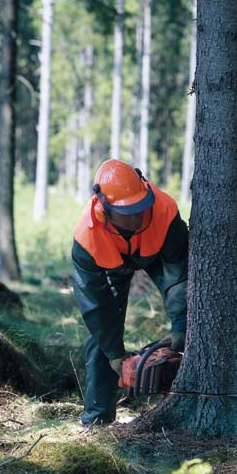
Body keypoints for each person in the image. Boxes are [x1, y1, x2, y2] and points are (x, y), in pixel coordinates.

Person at [72, 158, 188, 426]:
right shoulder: (87, 237)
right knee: (101, 340)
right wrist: (115, 354)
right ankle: (97, 420)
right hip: (111, 263)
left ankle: (189, 389)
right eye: (127, 212)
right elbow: (96, 305)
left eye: (140, 208)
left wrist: (182, 324)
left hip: (157, 252)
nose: (136, 217)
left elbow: (179, 276)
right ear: (103, 207)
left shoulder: (165, 210)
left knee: (192, 316)